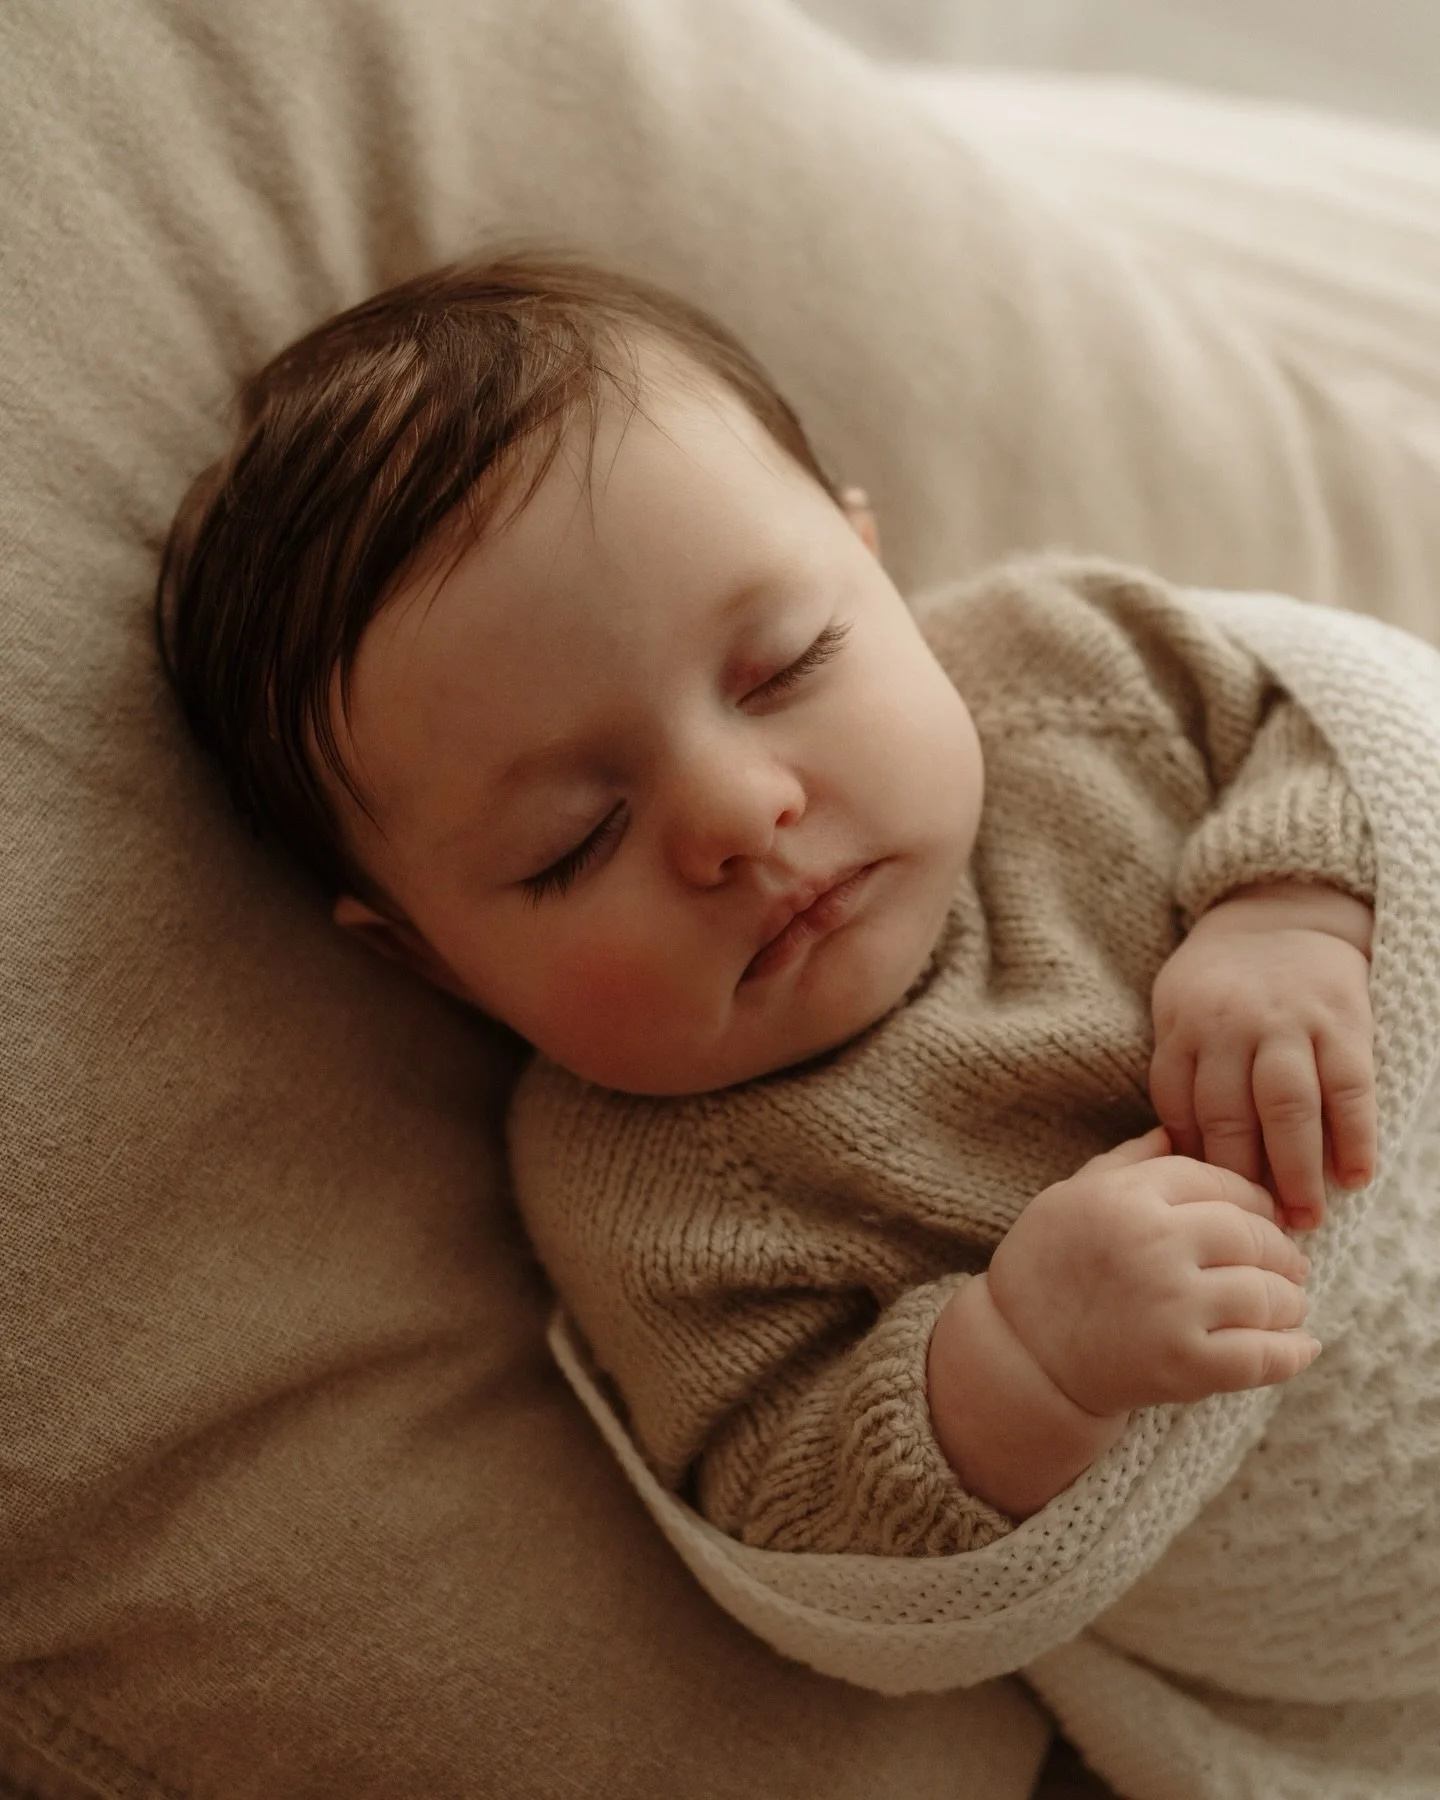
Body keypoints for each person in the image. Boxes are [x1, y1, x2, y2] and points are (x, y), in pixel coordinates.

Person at [157, 253, 1376, 1553]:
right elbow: (786, 1502)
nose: (738, 817)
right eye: (575, 840)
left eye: (786, 665)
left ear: (871, 566)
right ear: (432, 962)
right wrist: (1023, 1364)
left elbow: (1350, 714)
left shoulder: (1066, 672)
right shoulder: (650, 1194)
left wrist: (1296, 907)